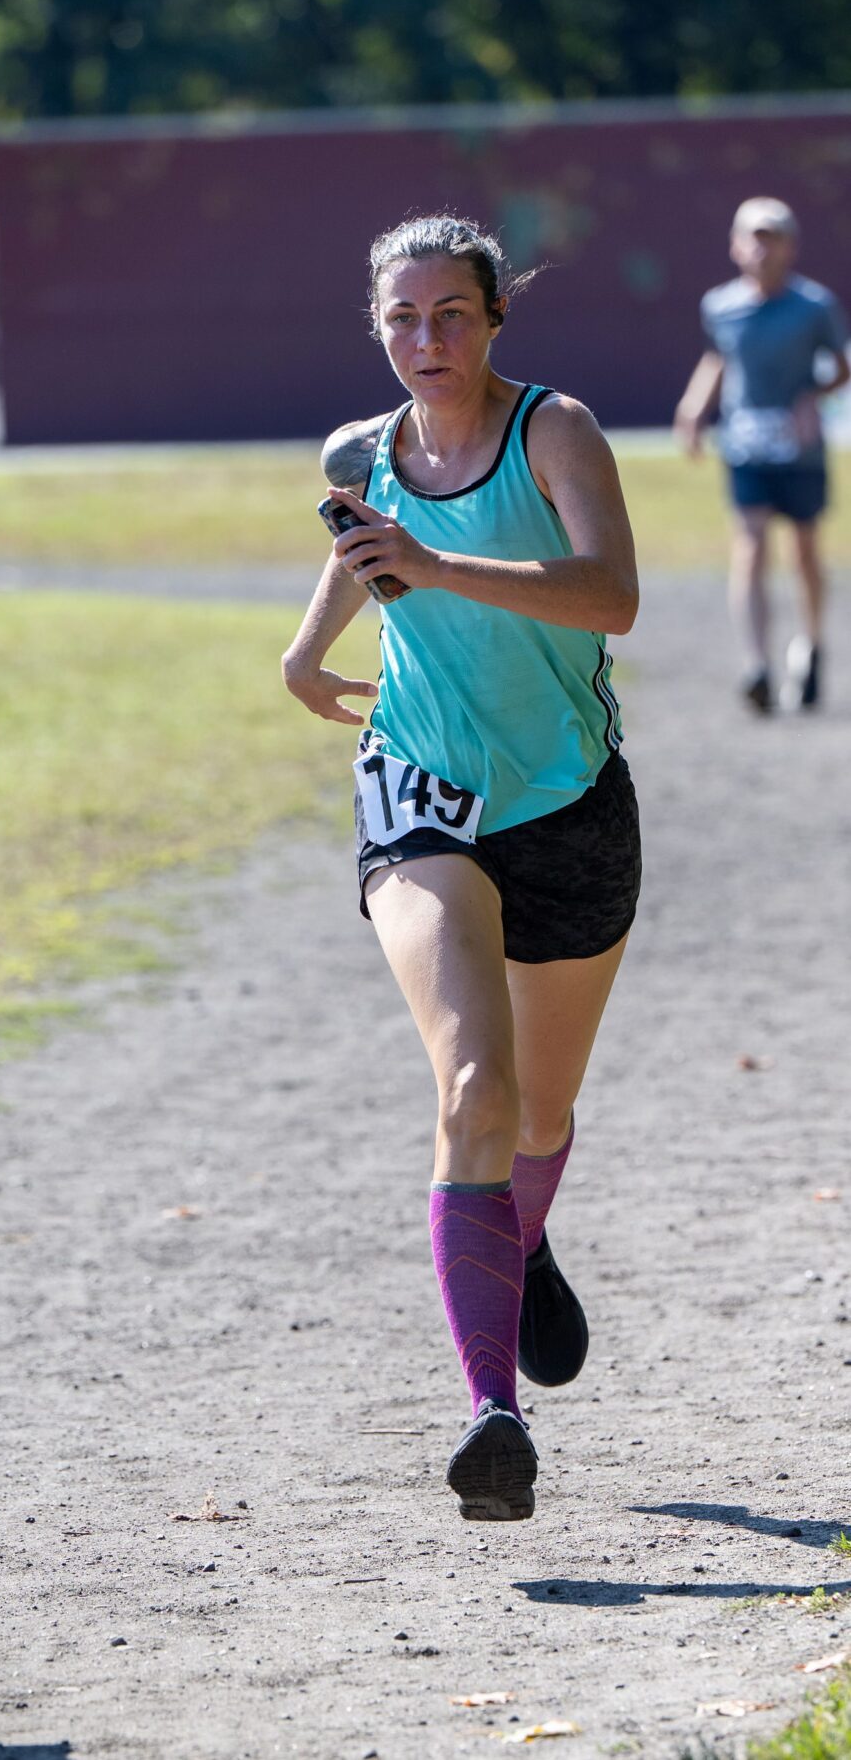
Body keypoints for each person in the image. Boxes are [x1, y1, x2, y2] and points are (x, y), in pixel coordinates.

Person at [282, 216, 640, 1524]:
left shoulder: (555, 433)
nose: (425, 338)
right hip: (420, 787)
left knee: (537, 1115)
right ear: (375, 325)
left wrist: (439, 565)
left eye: (449, 313)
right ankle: (493, 1413)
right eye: (401, 316)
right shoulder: (356, 453)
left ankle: (517, 1241)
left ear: (494, 318)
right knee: (474, 1089)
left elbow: (610, 597)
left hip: (569, 805)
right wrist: (305, 648)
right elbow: (362, 552)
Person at [674, 196, 850, 713]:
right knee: (749, 544)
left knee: (804, 549)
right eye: (753, 238)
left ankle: (811, 645)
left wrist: (812, 398)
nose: (761, 249)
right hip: (746, 443)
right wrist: (693, 408)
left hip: (800, 449)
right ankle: (757, 665)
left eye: (772, 239)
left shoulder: (814, 306)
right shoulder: (720, 305)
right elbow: (718, 358)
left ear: (791, 247)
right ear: (735, 246)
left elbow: (841, 366)